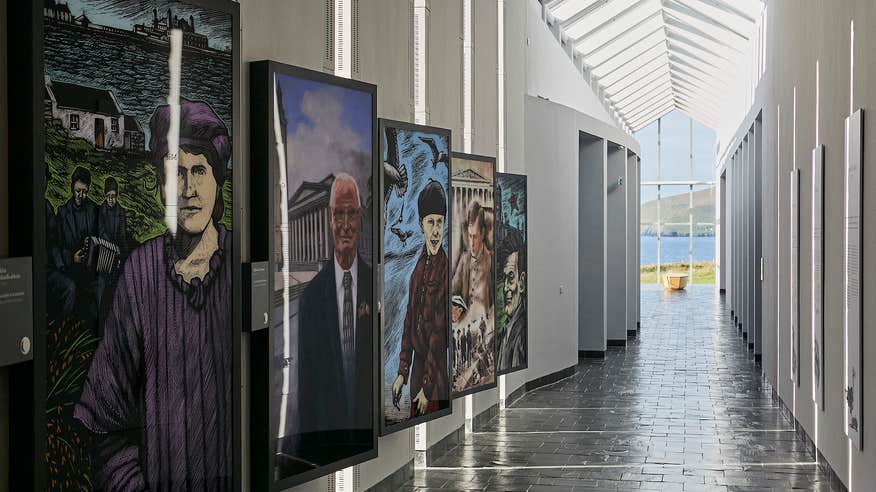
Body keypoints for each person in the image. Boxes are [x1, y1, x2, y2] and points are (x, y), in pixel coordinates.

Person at [75, 100, 234, 491]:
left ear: (218, 179)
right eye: (176, 173)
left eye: (200, 170)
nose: (189, 189)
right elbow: (105, 420)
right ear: (160, 183)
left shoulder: (242, 269)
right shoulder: (139, 275)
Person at [296, 173, 373, 465]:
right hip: (327, 444)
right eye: (338, 214)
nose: (345, 225)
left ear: (360, 217)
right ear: (329, 219)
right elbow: (306, 394)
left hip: (368, 435)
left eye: (351, 214)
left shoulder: (375, 285)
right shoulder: (310, 300)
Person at [392, 180, 450, 418]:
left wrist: (427, 388)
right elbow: (409, 320)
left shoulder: (445, 268)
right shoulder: (418, 267)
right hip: (418, 372)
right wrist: (402, 372)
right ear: (421, 225)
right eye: (430, 222)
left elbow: (438, 336)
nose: (436, 230)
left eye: (440, 222)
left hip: (434, 376)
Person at [51, 166, 99, 317]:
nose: (80, 195)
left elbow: (99, 237)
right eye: (78, 190)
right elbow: (56, 247)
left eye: (84, 192)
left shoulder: (93, 209)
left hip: (90, 269)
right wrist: (72, 258)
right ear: (72, 188)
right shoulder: (63, 212)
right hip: (70, 268)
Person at [451, 201, 493, 314]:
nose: (471, 243)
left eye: (475, 236)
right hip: (465, 322)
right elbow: (453, 290)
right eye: (469, 236)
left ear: (483, 233)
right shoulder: (464, 260)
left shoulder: (491, 261)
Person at [497, 229, 527, 370]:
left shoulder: (521, 336)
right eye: (504, 279)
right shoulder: (504, 332)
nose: (505, 288)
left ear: (521, 283)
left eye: (510, 278)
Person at [98, 176, 128, 255]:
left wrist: (123, 252)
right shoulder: (100, 210)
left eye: (113, 196)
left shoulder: (121, 212)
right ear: (105, 195)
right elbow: (101, 232)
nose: (110, 199)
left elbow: (122, 235)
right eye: (108, 196)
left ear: (117, 195)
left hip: (118, 250)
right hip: (103, 248)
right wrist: (111, 246)